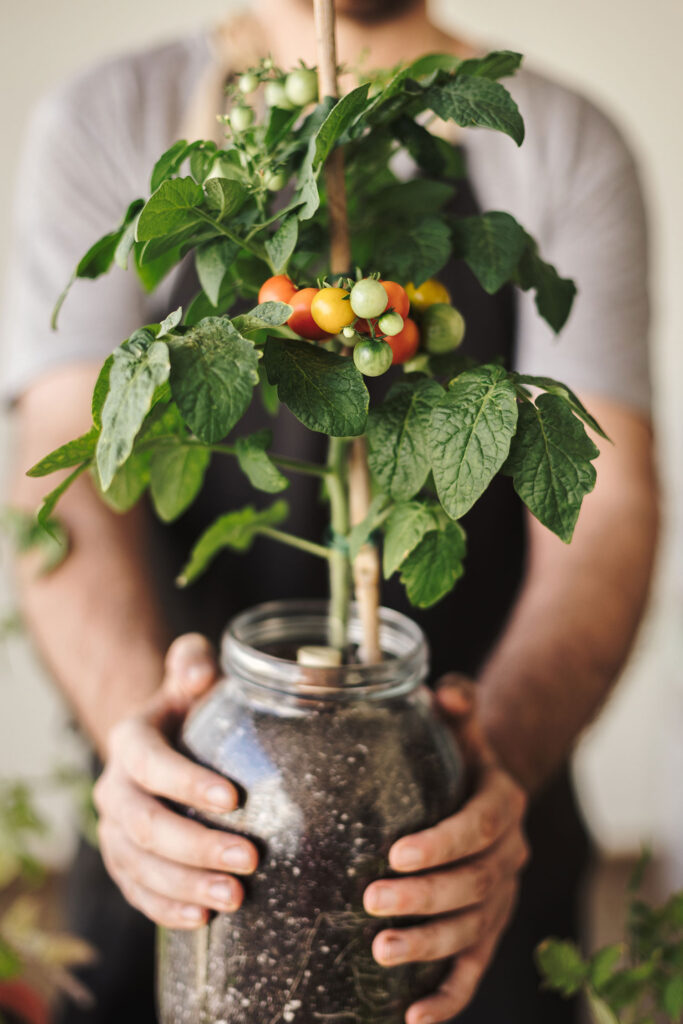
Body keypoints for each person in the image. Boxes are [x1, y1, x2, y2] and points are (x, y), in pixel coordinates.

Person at [3, 0, 657, 1021]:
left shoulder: (559, 140)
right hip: (186, 812)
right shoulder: (114, 116)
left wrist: (490, 771)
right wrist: (162, 764)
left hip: (464, 822)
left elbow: (604, 509)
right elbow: (68, 483)